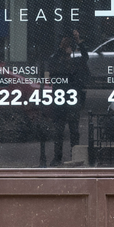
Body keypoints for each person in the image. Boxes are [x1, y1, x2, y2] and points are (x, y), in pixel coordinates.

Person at [45, 29, 89, 166]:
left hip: (72, 100)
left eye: (70, 46)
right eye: (67, 46)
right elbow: (51, 64)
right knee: (58, 131)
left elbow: (86, 56)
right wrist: (61, 48)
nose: (69, 48)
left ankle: (74, 156)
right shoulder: (57, 61)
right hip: (60, 101)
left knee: (74, 131)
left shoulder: (76, 62)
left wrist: (78, 41)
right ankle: (57, 157)